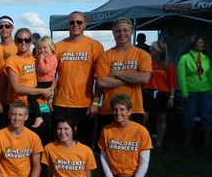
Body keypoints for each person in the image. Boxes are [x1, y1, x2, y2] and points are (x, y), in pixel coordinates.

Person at [52, 11, 104, 147]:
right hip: (61, 103)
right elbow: (51, 75)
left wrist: (96, 102)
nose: (75, 25)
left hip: (84, 104)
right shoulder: (58, 46)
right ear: (67, 25)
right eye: (72, 22)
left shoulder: (94, 46)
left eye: (79, 22)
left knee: (82, 143)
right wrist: (49, 98)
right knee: (60, 142)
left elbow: (100, 77)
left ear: (85, 24)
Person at [98, 94, 152, 177]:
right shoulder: (106, 130)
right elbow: (103, 157)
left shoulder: (141, 131)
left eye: (122, 109)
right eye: (115, 110)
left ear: (130, 111)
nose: (118, 113)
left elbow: (144, 162)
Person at [96, 17, 152, 129]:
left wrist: (117, 73)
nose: (122, 34)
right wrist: (133, 78)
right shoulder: (105, 56)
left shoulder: (143, 55)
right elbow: (101, 82)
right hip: (109, 109)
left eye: (125, 30)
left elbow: (145, 78)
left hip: (134, 109)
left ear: (132, 31)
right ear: (113, 33)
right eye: (118, 31)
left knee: (133, 140)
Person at [5, 28, 52, 140]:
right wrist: (42, 91)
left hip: (42, 107)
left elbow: (51, 78)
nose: (23, 43)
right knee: (24, 143)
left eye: (27, 40)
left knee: (42, 142)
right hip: (23, 108)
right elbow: (17, 88)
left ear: (31, 41)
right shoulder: (12, 61)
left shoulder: (36, 59)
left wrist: (50, 95)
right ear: (15, 42)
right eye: (20, 40)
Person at [176, 35, 212, 149]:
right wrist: (184, 93)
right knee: (189, 117)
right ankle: (188, 140)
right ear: (193, 44)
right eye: (200, 42)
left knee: (206, 116)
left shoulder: (206, 58)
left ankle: (207, 142)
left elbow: (210, 76)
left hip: (205, 92)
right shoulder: (184, 58)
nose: (203, 44)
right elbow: (181, 77)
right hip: (190, 92)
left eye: (203, 42)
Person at [142, 41, 177, 148]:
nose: (151, 50)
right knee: (143, 117)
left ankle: (159, 143)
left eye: (153, 49)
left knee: (161, 119)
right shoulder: (147, 62)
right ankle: (140, 140)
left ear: (160, 51)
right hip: (147, 93)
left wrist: (171, 97)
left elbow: (172, 83)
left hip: (162, 95)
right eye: (151, 48)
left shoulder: (168, 65)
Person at [29, 36, 57, 130]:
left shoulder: (51, 58)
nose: (42, 50)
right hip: (41, 83)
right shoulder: (45, 58)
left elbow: (45, 70)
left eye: (45, 48)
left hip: (46, 83)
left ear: (51, 48)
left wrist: (41, 60)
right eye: (40, 48)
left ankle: (38, 117)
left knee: (31, 97)